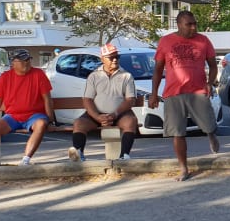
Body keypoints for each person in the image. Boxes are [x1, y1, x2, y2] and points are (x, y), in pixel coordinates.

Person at [149, 10, 221, 181]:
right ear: (179, 24)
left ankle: (211, 134)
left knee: (209, 123)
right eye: (189, 24)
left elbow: (213, 66)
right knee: (178, 133)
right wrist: (153, 94)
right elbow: (158, 70)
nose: (193, 27)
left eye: (195, 23)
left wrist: (210, 83)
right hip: (174, 92)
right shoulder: (166, 41)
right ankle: (183, 168)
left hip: (197, 91)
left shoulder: (203, 40)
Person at [0, 49, 55, 166]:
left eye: (28, 60)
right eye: (22, 61)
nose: (26, 63)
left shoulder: (39, 74)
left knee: (40, 124)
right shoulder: (5, 77)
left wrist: (50, 120)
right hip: (12, 116)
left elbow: (47, 99)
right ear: (13, 63)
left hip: (35, 115)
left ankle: (25, 160)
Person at [68, 43, 139, 162]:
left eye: (117, 56)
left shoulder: (126, 76)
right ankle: (78, 153)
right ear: (102, 59)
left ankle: (124, 155)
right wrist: (97, 116)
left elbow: (130, 100)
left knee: (131, 122)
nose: (115, 60)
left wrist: (115, 114)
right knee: (79, 123)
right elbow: (87, 99)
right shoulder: (94, 76)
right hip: (97, 114)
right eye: (111, 57)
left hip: (120, 113)